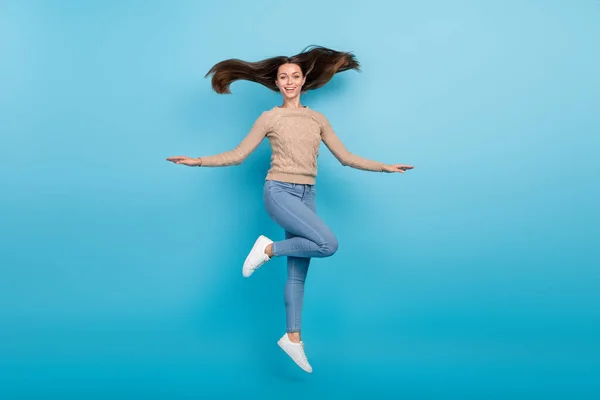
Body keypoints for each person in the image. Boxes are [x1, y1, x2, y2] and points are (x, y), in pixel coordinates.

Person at [166, 45, 414, 373]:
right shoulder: (270, 117)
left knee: (297, 275)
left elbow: (346, 156)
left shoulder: (317, 119)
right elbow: (238, 154)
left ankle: (292, 339)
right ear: (276, 83)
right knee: (328, 244)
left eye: (295, 76)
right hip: (279, 191)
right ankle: (267, 248)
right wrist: (197, 161)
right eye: (283, 77)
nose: (289, 81)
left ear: (304, 79)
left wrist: (384, 167)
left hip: (306, 195)